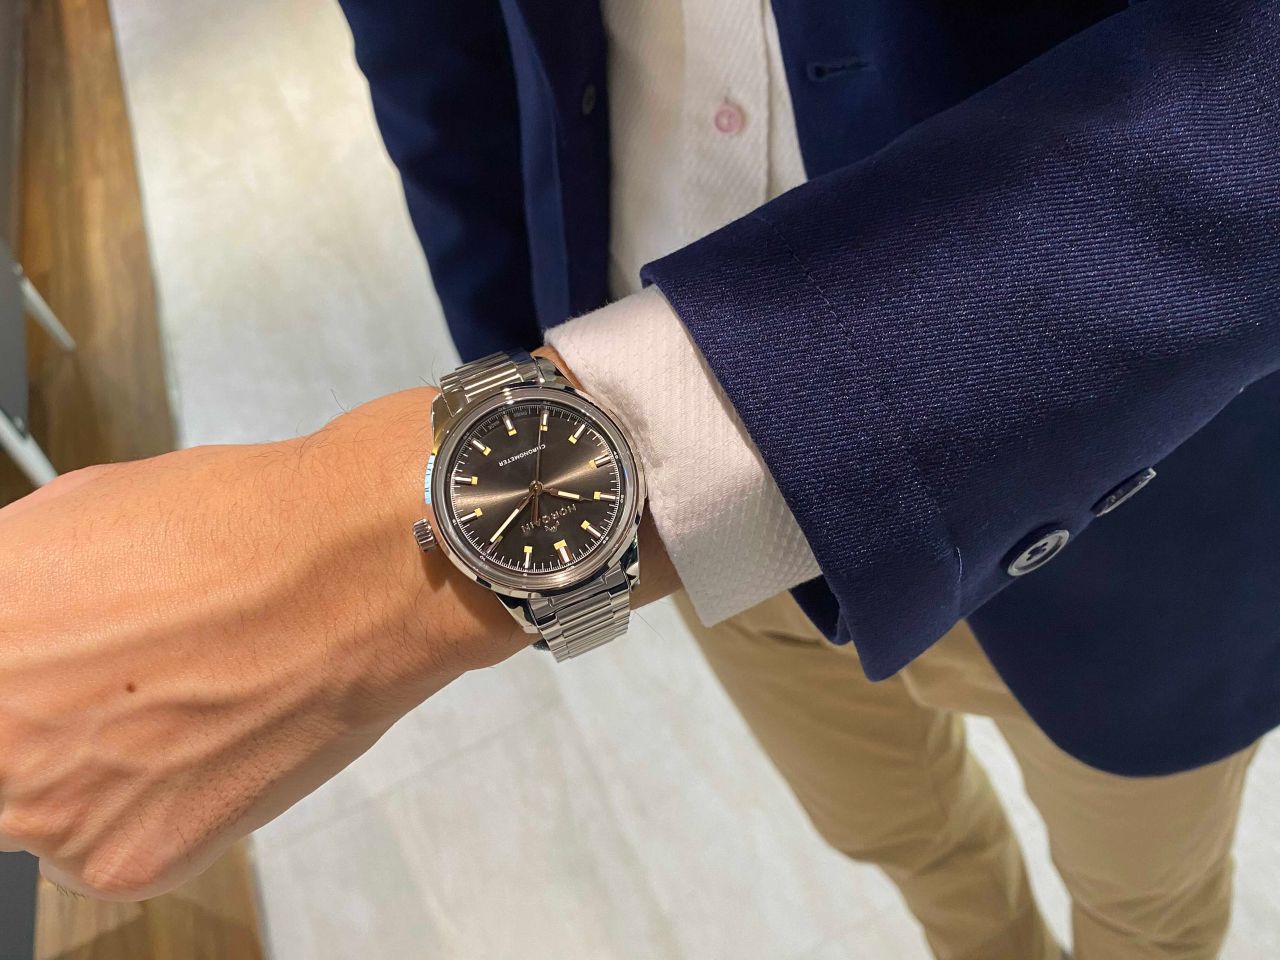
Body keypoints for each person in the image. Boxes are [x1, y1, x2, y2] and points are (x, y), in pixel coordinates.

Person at [0, 1, 1276, 957]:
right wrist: (512, 376)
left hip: (1149, 478)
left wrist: (414, 540)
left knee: (1145, 904)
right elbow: (429, 51)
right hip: (687, 504)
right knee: (895, 831)